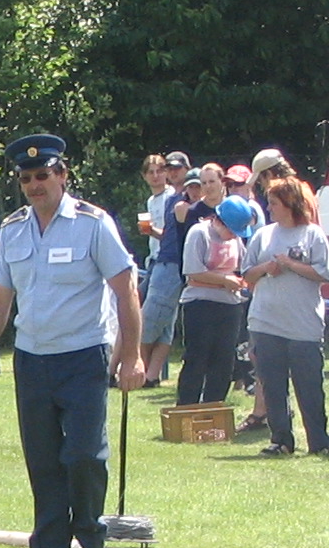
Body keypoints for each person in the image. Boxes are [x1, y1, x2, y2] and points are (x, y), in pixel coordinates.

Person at [0, 134, 142, 548]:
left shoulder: (93, 224)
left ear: (62, 175)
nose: (34, 184)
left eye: (42, 175)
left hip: (84, 356)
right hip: (33, 359)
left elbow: (126, 292)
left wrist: (132, 356)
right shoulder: (12, 229)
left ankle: (91, 540)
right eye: (26, 178)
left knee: (84, 455)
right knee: (43, 461)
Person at [240, 176, 329, 456]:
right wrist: (267, 267)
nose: (269, 208)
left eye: (274, 203)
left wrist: (291, 264)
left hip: (304, 327)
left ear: (291, 204)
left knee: (310, 387)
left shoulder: (312, 234)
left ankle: (319, 442)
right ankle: (281, 440)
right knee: (273, 386)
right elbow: (246, 274)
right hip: (266, 323)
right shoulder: (262, 235)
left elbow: (324, 274)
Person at [175, 195, 250, 407]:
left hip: (230, 305)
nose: (233, 236)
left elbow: (244, 266)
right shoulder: (199, 233)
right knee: (197, 359)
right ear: (219, 221)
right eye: (231, 230)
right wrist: (224, 280)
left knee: (224, 361)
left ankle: (214, 407)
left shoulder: (235, 239)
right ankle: (187, 408)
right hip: (200, 304)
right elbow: (192, 272)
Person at [139, 151, 194, 385]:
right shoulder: (154, 200)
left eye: (161, 170)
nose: (159, 175)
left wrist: (151, 231)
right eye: (152, 171)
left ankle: (135, 369)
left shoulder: (175, 197)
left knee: (150, 317)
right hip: (156, 259)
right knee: (165, 323)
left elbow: (172, 238)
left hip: (169, 262)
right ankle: (152, 376)